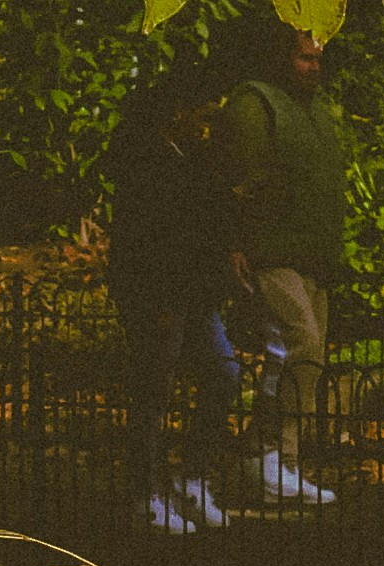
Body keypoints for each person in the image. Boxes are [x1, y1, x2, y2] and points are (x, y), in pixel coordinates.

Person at [104, 60, 238, 538]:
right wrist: (157, 298)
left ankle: (191, 478)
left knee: (223, 374)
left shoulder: (189, 157)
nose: (209, 118)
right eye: (203, 109)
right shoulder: (148, 162)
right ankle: (147, 494)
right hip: (159, 294)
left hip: (194, 293)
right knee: (153, 393)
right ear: (179, 110)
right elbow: (144, 238)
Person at [216, 20, 346, 507]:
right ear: (279, 58)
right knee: (298, 346)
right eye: (304, 58)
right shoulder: (256, 102)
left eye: (318, 59)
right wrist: (236, 242)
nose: (314, 67)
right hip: (269, 252)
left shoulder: (314, 108)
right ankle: (265, 457)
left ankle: (284, 465)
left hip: (311, 254)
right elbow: (236, 179)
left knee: (307, 360)